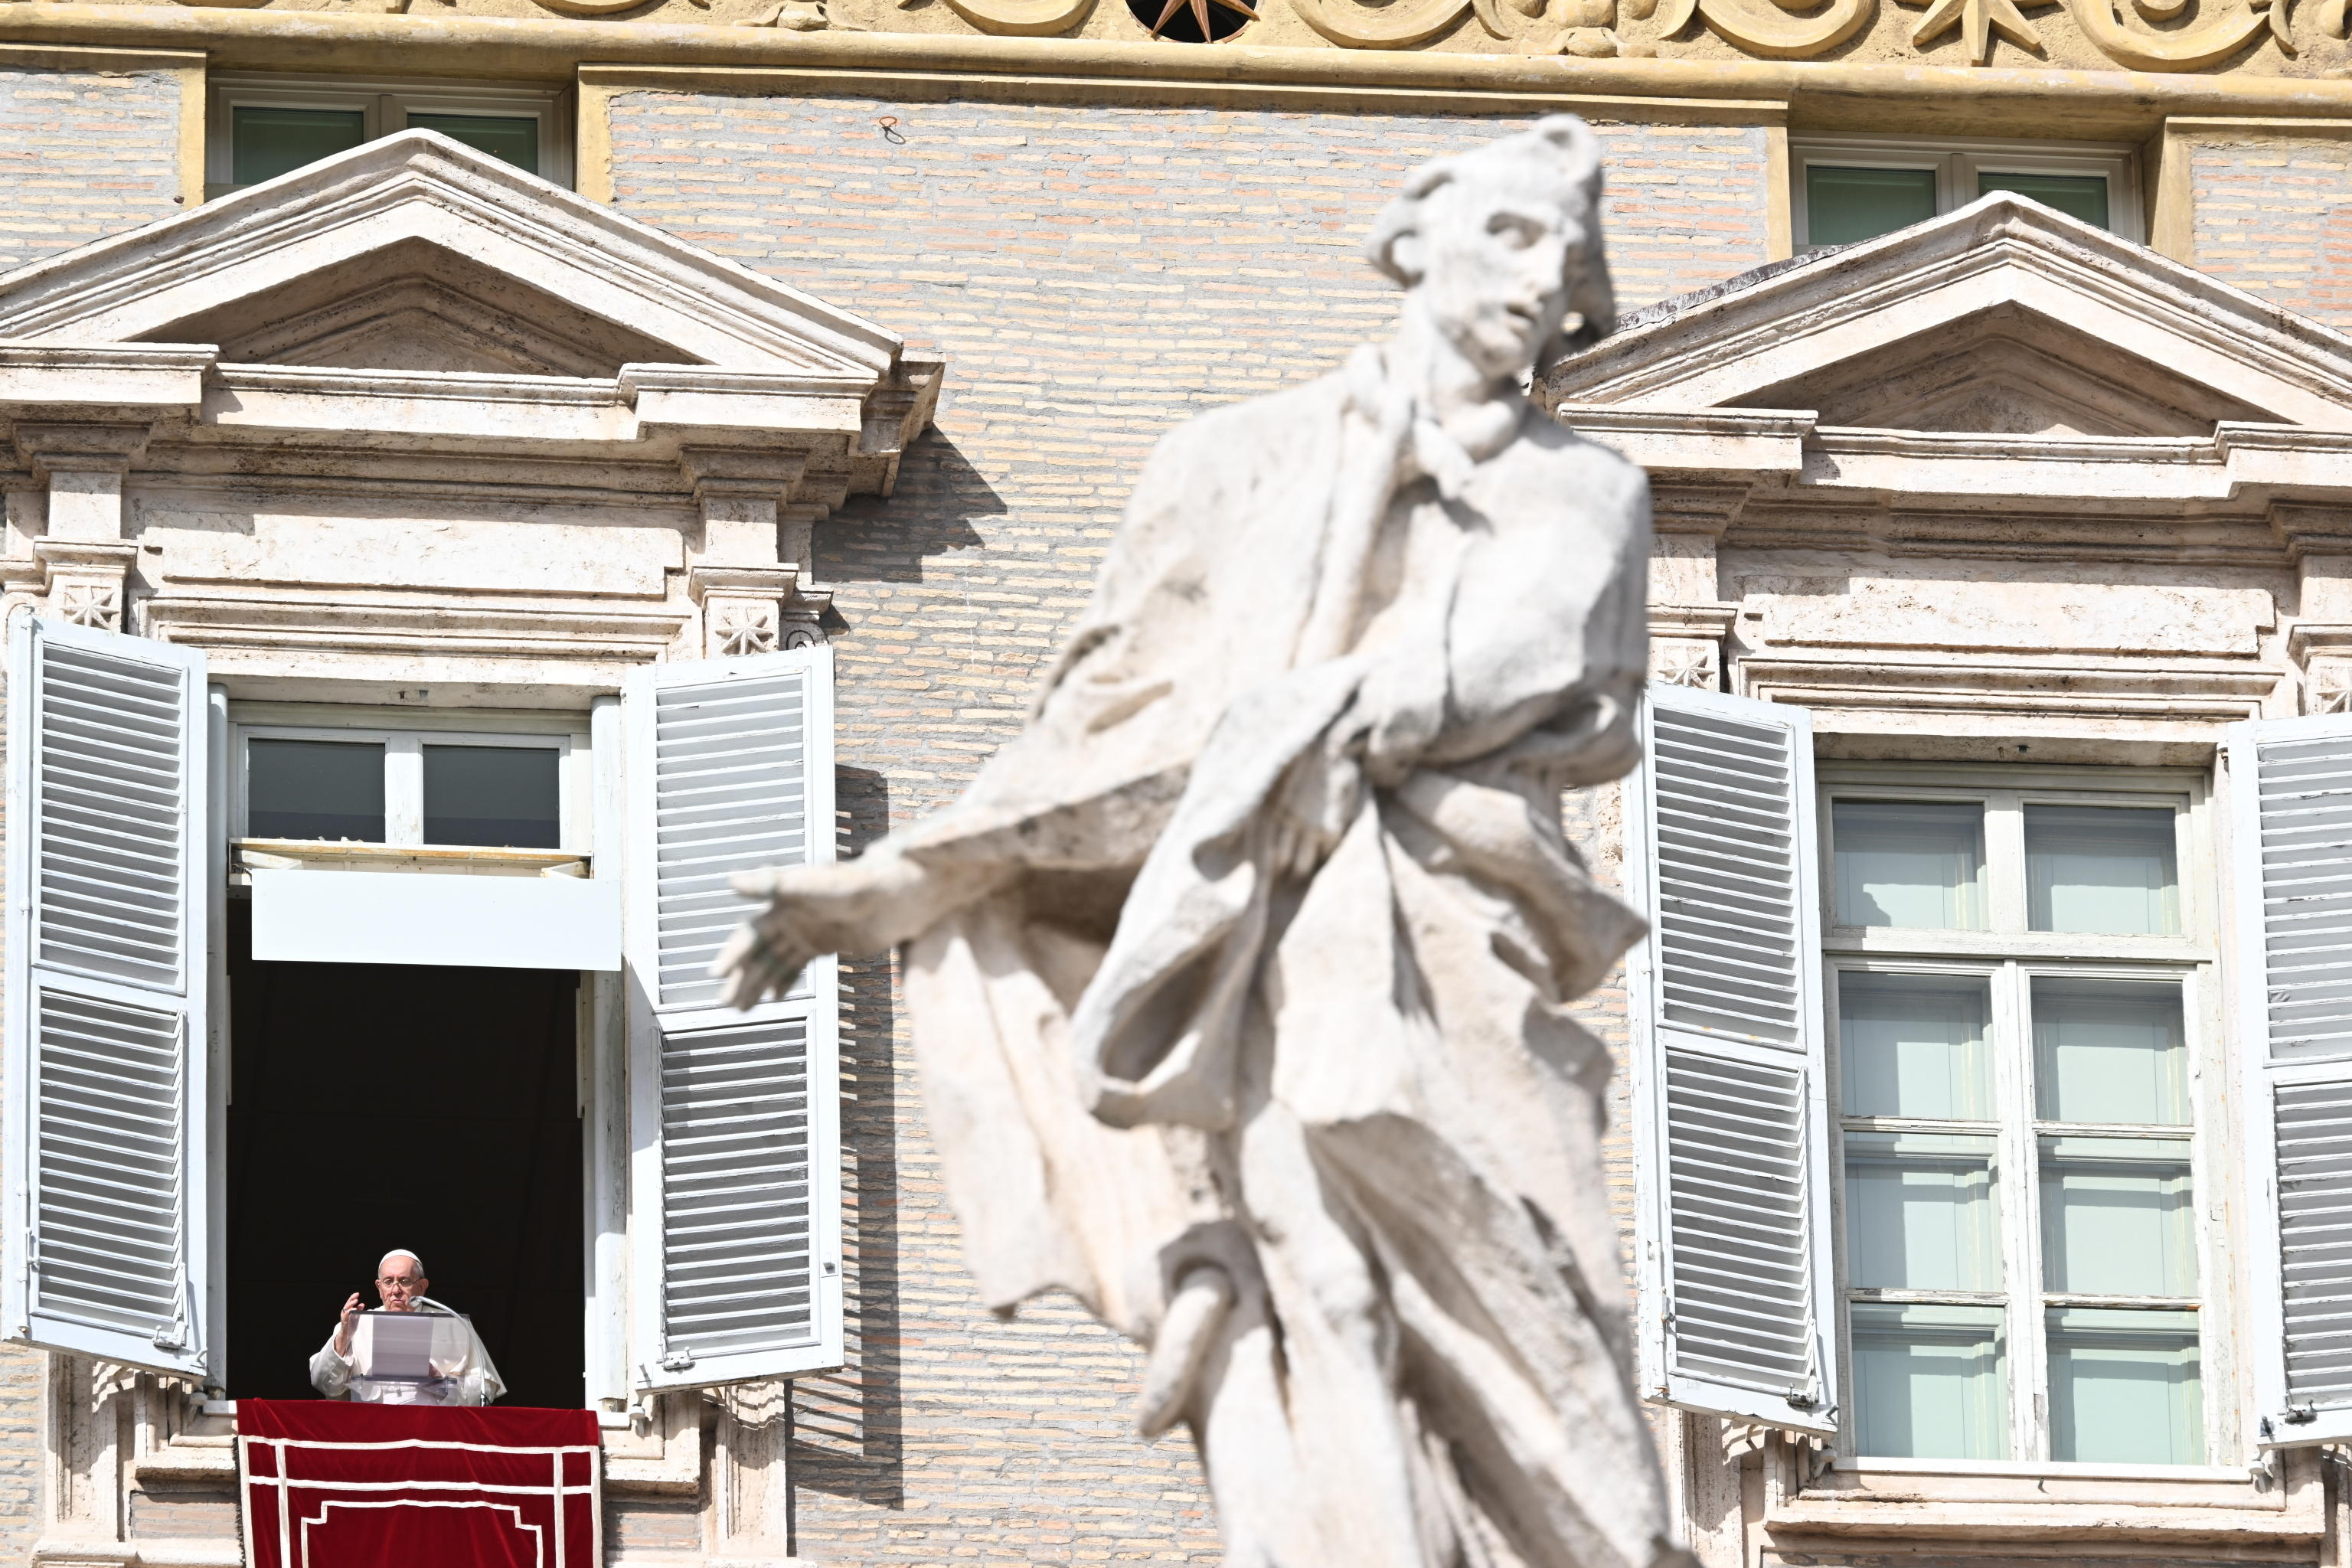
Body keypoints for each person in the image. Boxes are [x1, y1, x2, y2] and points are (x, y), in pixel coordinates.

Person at [714, 117, 1687, 1568]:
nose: (1543, 279)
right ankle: (1282, 1414)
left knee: (1540, 1293)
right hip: (1240, 922)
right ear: (1411, 240)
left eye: (1568, 255)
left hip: (1445, 932)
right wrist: (924, 868)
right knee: (1315, 1276)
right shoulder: (1230, 462)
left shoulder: (1582, 491)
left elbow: (1513, 659)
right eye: (1511, 234)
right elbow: (1106, 713)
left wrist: (1302, 721)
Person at [310, 1250, 506, 1406]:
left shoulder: (455, 1324)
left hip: (433, 1433)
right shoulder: (355, 1324)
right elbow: (324, 1383)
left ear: (422, 1286)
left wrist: (440, 1383)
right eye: (388, 1282)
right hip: (372, 1430)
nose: (395, 1290)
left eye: (404, 1281)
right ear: (379, 1287)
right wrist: (344, 1334)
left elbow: (485, 1391)